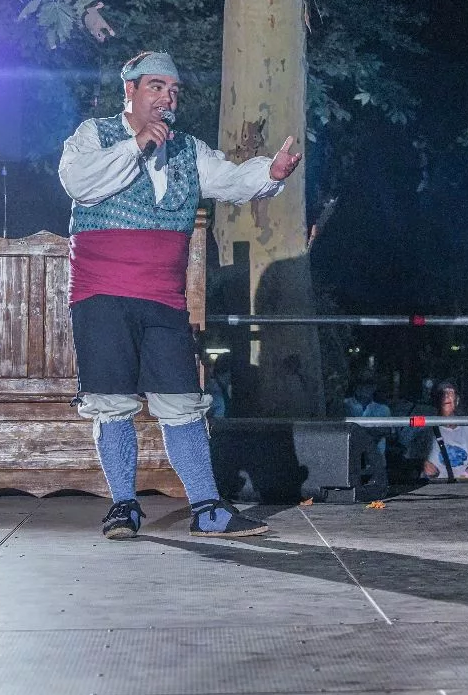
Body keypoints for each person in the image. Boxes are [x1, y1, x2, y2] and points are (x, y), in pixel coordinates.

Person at [59, 50, 301, 540]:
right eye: (156, 87)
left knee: (182, 399)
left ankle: (207, 508)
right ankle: (124, 506)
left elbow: (230, 180)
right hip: (101, 293)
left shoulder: (188, 149)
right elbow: (78, 183)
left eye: (173, 90)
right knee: (111, 401)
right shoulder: (94, 136)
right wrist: (137, 147)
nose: (167, 97)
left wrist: (267, 176)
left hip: (164, 297)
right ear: (129, 90)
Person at [423, 382, 468, 479]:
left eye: (450, 392)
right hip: (434, 488)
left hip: (467, 487)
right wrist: (424, 466)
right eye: (442, 393)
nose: (446, 396)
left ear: (457, 400)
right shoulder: (427, 430)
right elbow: (414, 461)